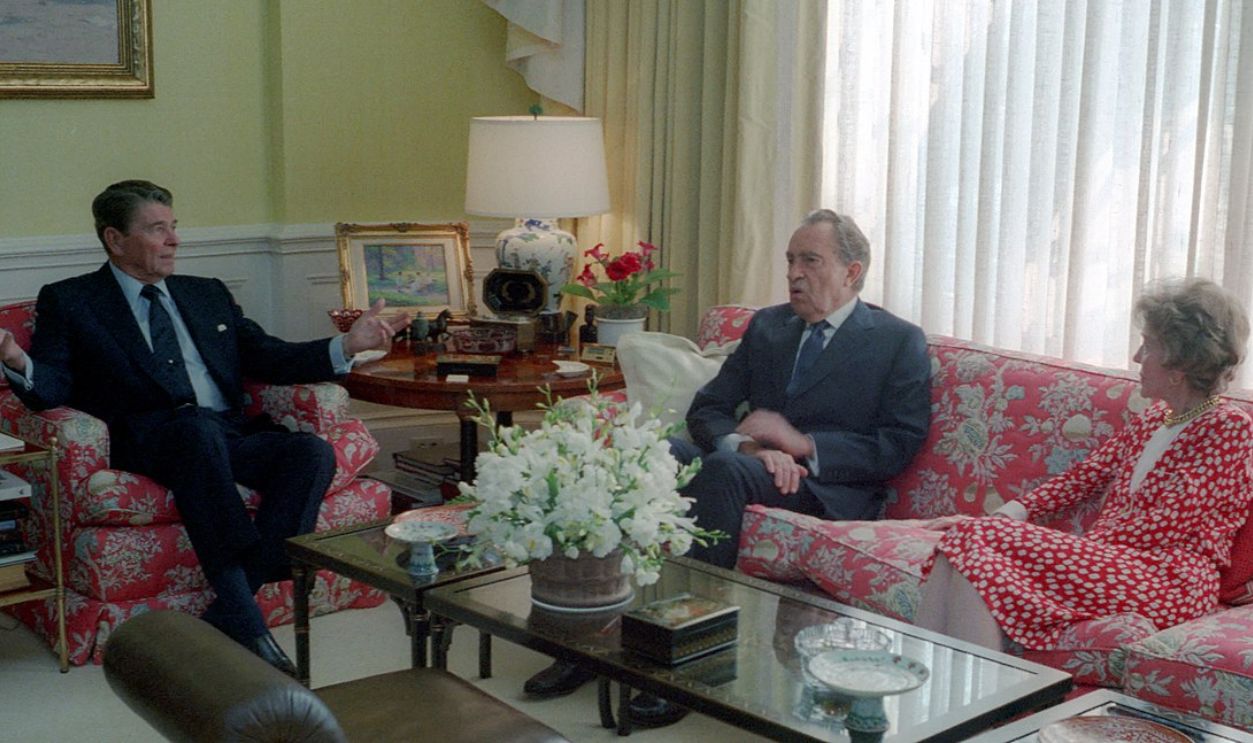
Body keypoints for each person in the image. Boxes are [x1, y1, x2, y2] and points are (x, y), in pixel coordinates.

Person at [523, 209, 933, 727]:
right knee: (652, 456)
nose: (793, 274)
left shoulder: (897, 340)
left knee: (719, 473)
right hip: (752, 465)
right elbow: (708, 409)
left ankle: (689, 663)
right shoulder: (768, 326)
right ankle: (591, 639)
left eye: (810, 260)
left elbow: (898, 446)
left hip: (829, 488)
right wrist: (747, 446)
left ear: (852, 272)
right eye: (789, 260)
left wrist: (802, 444)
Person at [0, 180, 409, 676]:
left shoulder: (206, 293)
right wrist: (16, 357)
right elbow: (55, 385)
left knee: (309, 454)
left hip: (224, 432)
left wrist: (346, 344)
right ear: (114, 238)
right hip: (148, 438)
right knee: (196, 431)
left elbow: (270, 357)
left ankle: (233, 605)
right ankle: (247, 621)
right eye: (156, 230)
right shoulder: (73, 301)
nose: (174, 240)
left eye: (173, 228)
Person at [915, 278, 1252, 652]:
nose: (1138, 357)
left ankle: (969, 698)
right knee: (962, 546)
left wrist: (1066, 549)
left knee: (973, 540)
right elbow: (1084, 477)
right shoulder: (1158, 417)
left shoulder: (1229, 427)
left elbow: (1169, 522)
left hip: (1169, 582)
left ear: (1178, 367)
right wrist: (1005, 518)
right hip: (1118, 565)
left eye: (1149, 346)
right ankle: (951, 693)